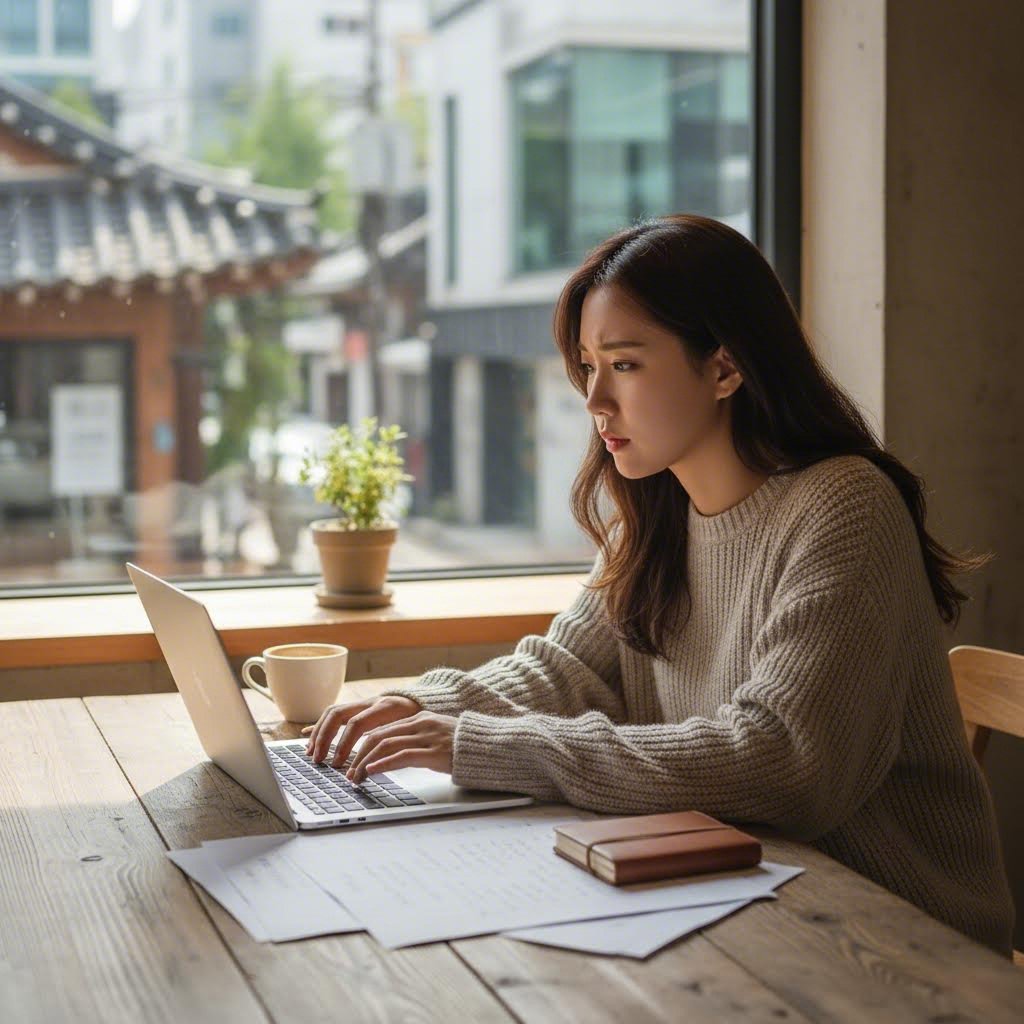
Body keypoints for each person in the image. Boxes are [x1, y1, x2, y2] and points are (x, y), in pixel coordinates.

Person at [303, 214, 1014, 956]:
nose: (594, 400)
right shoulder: (656, 510)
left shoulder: (845, 509)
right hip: (744, 912)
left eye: (626, 364)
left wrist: (476, 745)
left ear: (725, 368)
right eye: (587, 365)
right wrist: (412, 710)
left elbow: (784, 763)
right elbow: (565, 670)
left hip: (896, 943)